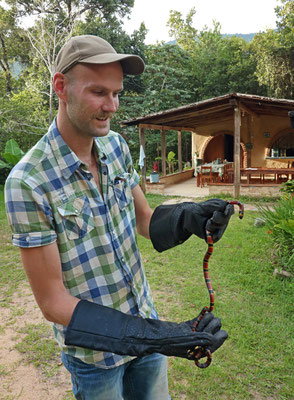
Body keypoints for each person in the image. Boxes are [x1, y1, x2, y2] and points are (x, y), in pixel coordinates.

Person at [5, 35, 234, 400]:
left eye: (117, 93)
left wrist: (189, 218)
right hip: (95, 358)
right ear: (61, 87)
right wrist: (157, 336)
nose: (111, 106)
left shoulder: (115, 145)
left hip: (143, 317)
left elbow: (143, 219)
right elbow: (52, 302)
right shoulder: (28, 182)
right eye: (99, 92)